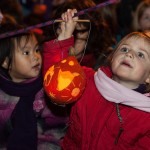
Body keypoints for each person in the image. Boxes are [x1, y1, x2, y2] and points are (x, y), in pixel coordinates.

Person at [43, 9, 150, 149]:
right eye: (124, 49)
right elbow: (54, 81)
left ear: (149, 77)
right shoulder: (86, 79)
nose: (129, 54)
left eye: (141, 55)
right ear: (112, 58)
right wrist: (64, 37)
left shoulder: (146, 118)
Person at [0, 12, 76, 150]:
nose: (36, 57)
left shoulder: (45, 90)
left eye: (36, 50)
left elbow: (55, 131)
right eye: (26, 52)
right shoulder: (2, 93)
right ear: (5, 62)